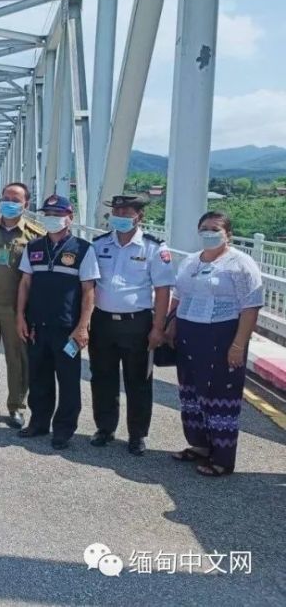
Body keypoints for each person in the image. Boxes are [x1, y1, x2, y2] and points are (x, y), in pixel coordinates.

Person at [168, 212, 263, 477]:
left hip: (221, 335)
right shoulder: (190, 261)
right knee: (191, 391)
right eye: (204, 228)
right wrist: (170, 326)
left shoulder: (241, 264)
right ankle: (199, 445)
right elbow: (178, 296)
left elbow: (251, 306)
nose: (209, 233)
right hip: (189, 333)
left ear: (228, 234)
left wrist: (237, 346)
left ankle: (222, 457)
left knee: (220, 395)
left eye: (215, 229)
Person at [89, 195, 175, 455]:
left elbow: (162, 291)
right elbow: (89, 285)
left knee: (138, 380)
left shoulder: (153, 248)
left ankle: (137, 434)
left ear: (140, 217)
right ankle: (105, 428)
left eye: (126, 211)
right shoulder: (99, 245)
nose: (120, 215)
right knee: (102, 377)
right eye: (116, 210)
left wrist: (158, 328)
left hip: (137, 323)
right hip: (102, 321)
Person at [16, 195, 100, 450]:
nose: (51, 219)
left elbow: (88, 291)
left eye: (57, 214)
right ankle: (39, 422)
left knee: (68, 380)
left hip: (67, 328)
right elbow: (25, 283)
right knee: (38, 377)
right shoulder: (33, 247)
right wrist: (20, 315)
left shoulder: (84, 249)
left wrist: (83, 326)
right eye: (47, 214)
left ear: (70, 217)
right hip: (36, 326)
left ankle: (63, 429)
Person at [0, 182, 43, 427]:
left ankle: (16, 407)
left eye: (15, 199)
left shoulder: (35, 237)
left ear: (26, 205)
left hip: (17, 310)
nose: (9, 203)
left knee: (18, 360)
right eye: (6, 198)